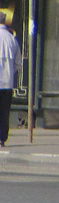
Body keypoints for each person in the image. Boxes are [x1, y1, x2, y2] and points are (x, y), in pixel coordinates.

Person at [0, 11, 21, 148]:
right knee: (4, 111)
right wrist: (10, 72)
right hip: (7, 82)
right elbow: (18, 62)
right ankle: (2, 138)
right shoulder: (11, 38)